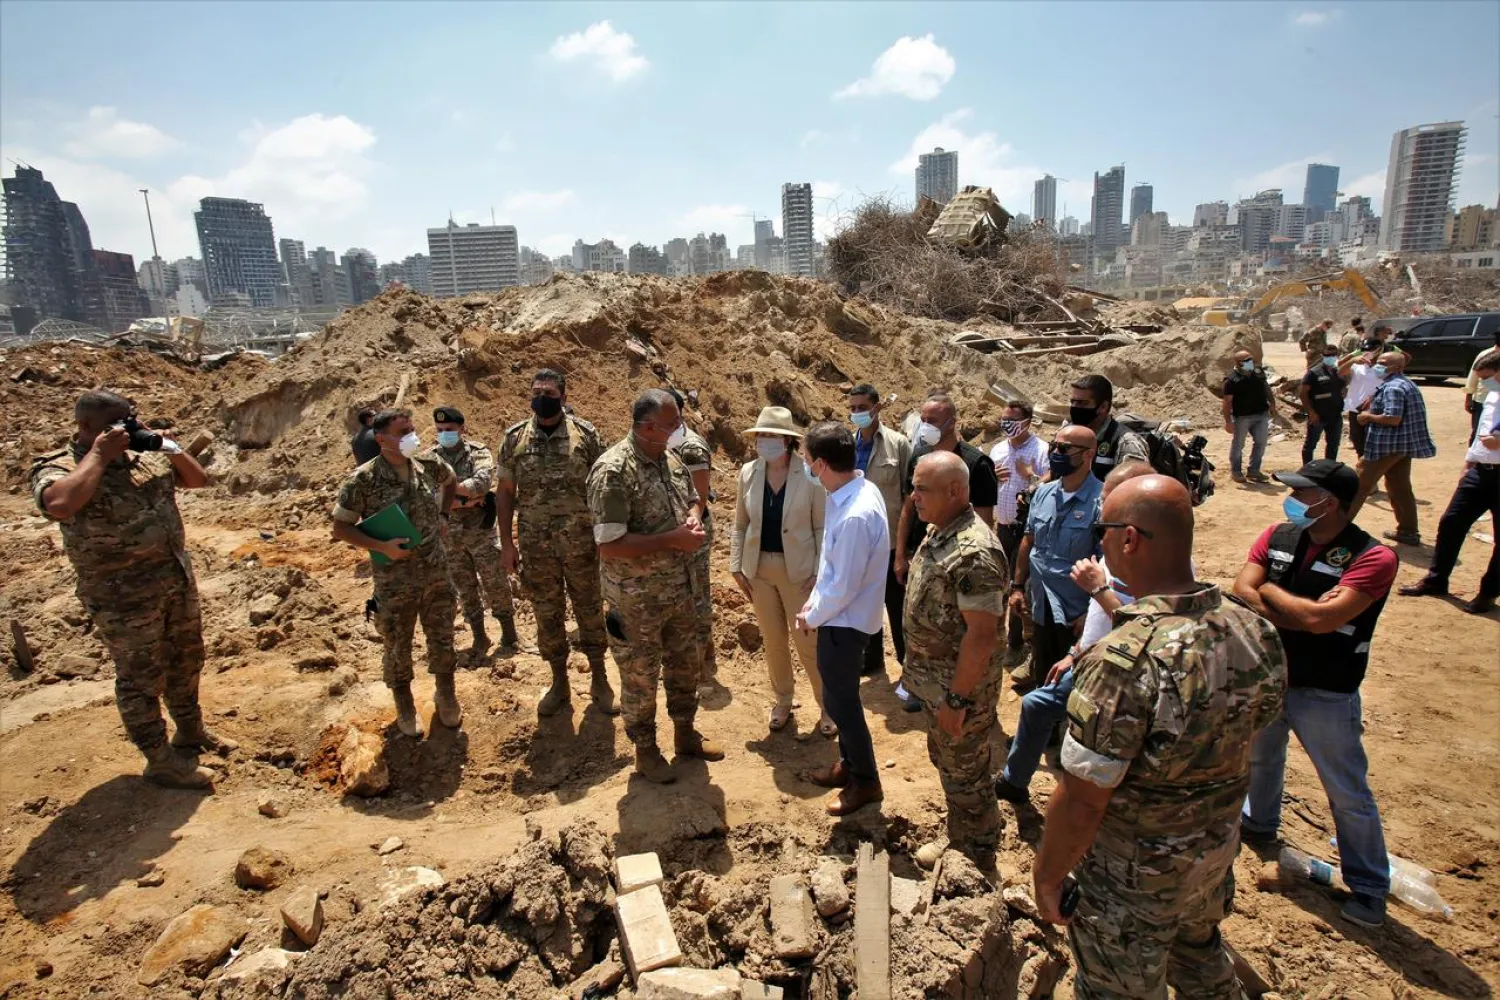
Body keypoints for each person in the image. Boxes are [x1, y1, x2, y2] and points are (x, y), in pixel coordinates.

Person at [1033, 475, 1286, 996]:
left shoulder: (1124, 660)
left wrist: (1048, 877)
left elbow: (1083, 798)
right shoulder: (1252, 629)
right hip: (1212, 858)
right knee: (1199, 961)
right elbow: (1257, 725)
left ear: (1128, 538)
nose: (1098, 543)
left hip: (1133, 882)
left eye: (1102, 531)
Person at [31, 391, 224, 790]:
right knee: (140, 676)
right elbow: (60, 505)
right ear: (87, 426)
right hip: (122, 598)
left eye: (130, 420)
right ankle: (159, 759)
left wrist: (166, 444)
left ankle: (190, 731)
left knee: (186, 659)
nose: (126, 430)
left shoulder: (143, 457)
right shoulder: (61, 466)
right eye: (117, 423)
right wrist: (99, 456)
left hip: (174, 580)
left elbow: (197, 480)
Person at [1234, 459, 1398, 927]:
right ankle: (1259, 823)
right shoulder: (1279, 536)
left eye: (1303, 494)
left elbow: (1322, 621)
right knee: (1262, 757)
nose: (1293, 501)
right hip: (1271, 674)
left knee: (1346, 790)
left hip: (1327, 688)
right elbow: (1242, 588)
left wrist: (1273, 596)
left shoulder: (1373, 557)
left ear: (1332, 503)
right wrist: (1300, 612)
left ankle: (1368, 886)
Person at [994, 461, 1154, 806]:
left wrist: (1098, 591)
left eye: (1108, 499)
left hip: (1118, 675)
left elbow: (1148, 631)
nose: (1101, 505)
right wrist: (1075, 652)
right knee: (1037, 703)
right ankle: (1015, 780)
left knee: (1087, 745)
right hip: (1087, 657)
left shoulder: (1153, 561)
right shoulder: (1116, 544)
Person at [587, 389, 720, 783]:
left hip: (679, 591)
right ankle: (645, 751)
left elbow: (694, 499)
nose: (680, 427)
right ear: (647, 427)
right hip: (636, 602)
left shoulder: (670, 459)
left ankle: (685, 733)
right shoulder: (613, 471)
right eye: (672, 422)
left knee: (685, 666)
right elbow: (609, 544)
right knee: (640, 676)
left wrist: (693, 516)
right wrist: (672, 539)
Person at [903, 451, 1009, 868]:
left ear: (954, 491)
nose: (914, 497)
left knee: (965, 771)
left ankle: (976, 852)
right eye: (913, 487)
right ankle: (965, 832)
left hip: (960, 689)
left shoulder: (973, 551)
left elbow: (981, 636)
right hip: (938, 683)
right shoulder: (940, 531)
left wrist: (957, 699)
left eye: (922, 489)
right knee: (950, 762)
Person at [332, 409, 462, 738]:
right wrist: (381, 546)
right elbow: (341, 527)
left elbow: (450, 482)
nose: (412, 436)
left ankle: (446, 695)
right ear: (381, 439)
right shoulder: (363, 480)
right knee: (397, 645)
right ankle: (405, 705)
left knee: (443, 637)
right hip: (394, 581)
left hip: (436, 572)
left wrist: (444, 516)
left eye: (412, 429)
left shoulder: (428, 464)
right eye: (403, 432)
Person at [498, 370, 614, 715]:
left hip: (582, 545)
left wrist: (606, 537)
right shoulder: (515, 438)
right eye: (536, 391)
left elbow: (604, 488)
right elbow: (505, 493)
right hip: (536, 548)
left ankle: (600, 680)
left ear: (563, 397)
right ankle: (559, 683)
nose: (541, 397)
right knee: (546, 614)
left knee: (590, 610)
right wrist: (507, 543)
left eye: (548, 393)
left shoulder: (586, 435)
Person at [796, 421, 891, 817]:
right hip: (840, 615)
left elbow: (844, 587)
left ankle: (866, 781)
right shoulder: (854, 490)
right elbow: (835, 571)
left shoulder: (855, 514)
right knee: (838, 698)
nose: (805, 466)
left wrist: (811, 615)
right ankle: (849, 765)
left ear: (820, 464)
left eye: (807, 460)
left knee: (843, 705)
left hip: (844, 623)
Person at [894, 392, 998, 708]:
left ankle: (954, 692)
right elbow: (907, 509)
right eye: (922, 419)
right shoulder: (919, 457)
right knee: (919, 620)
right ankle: (916, 684)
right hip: (924, 551)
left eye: (933, 421)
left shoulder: (976, 464)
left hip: (952, 561)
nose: (925, 426)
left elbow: (982, 521)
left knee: (952, 628)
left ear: (952, 423)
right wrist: (901, 554)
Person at [729, 407, 829, 734]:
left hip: (799, 572)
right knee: (773, 641)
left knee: (808, 643)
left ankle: (827, 706)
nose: (764, 441)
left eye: (770, 435)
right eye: (760, 436)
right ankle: (783, 700)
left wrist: (819, 571)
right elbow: (740, 524)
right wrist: (735, 565)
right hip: (758, 570)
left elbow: (821, 527)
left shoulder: (810, 475)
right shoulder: (748, 473)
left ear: (787, 440)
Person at [1400, 349, 1500, 614]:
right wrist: (1469, 463)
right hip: (1480, 472)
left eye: (1488, 377)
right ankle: (1436, 580)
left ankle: (1488, 593)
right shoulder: (1493, 396)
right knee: (1451, 523)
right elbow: (1480, 433)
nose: (1484, 383)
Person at [1008, 425, 1102, 691]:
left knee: (1076, 686)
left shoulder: (1102, 500)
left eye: (1064, 448)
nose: (1056, 453)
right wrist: (1017, 587)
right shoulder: (1043, 493)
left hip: (1076, 615)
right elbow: (1029, 541)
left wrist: (1093, 612)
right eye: (1053, 446)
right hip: (1041, 605)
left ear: (1088, 454)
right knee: (1044, 678)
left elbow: (1108, 563)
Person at [428, 406, 518, 656]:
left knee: (495, 581)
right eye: (439, 429)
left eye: (449, 429)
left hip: (480, 532)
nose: (444, 434)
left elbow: (483, 483)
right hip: (449, 536)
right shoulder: (428, 459)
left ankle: (510, 636)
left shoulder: (478, 452)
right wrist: (467, 500)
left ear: (462, 429)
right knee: (464, 587)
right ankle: (480, 637)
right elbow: (428, 495)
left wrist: (447, 491)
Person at [847, 383, 913, 676]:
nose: (857, 413)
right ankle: (872, 658)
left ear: (877, 407)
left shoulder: (898, 445)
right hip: (858, 543)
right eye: (853, 408)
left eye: (862, 407)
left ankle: (908, 666)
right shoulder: (846, 447)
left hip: (889, 544)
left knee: (897, 608)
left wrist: (903, 551)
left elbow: (908, 498)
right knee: (866, 605)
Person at [1350, 350, 1436, 545]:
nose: (1377, 366)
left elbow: (1393, 418)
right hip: (1401, 446)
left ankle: (1334, 531)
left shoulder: (1393, 388)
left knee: (1358, 484)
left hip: (1386, 446)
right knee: (1399, 487)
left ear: (1397, 367)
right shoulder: (1405, 384)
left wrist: (1368, 416)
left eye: (1382, 363)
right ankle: (1408, 531)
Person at [989, 400, 1047, 667]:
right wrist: (993, 476)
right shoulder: (998, 449)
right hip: (1001, 528)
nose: (1006, 424)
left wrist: (1031, 476)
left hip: (1026, 531)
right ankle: (998, 638)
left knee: (1018, 585)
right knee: (1000, 584)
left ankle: (1016, 643)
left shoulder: (1041, 450)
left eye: (1012, 420)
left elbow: (1051, 484)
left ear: (1027, 422)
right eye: (1004, 419)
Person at [667, 389, 719, 693]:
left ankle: (700, 667)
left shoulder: (692, 448)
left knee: (696, 595)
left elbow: (699, 499)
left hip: (692, 531)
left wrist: (690, 528)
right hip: (670, 533)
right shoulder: (660, 443)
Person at [1068, 375, 1149, 483]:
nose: (1075, 407)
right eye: (1073, 402)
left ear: (1103, 407)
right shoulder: (1068, 434)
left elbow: (1134, 485)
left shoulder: (1126, 442)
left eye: (1082, 403)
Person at [1222, 349, 1276, 484]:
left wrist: (1273, 403)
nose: (1250, 362)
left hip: (1261, 414)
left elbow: (1266, 387)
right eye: (1246, 360)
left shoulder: (1258, 372)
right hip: (1242, 417)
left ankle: (1254, 471)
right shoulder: (1232, 380)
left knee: (1261, 442)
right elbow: (1227, 402)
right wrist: (1228, 421)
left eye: (1250, 359)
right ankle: (1236, 471)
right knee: (1239, 444)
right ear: (1238, 363)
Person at [1338, 334, 1388, 460]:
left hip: (1376, 410)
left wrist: (1373, 398)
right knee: (1358, 443)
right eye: (1365, 350)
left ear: (1379, 350)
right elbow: (1340, 371)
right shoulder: (1358, 365)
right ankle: (1363, 466)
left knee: (1374, 443)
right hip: (1356, 409)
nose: (1367, 353)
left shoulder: (1384, 367)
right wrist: (1352, 360)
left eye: (1370, 350)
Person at [1300, 345, 1346, 464]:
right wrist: (1311, 412)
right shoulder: (1314, 372)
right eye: (1327, 355)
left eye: (1333, 355)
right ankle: (1307, 469)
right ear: (1322, 356)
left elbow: (1342, 387)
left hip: (1335, 415)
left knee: (1333, 444)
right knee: (1310, 445)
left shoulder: (1338, 371)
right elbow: (1303, 394)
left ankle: (1329, 469)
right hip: (1318, 415)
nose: (1330, 357)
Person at [1463, 331, 1500, 443]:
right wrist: (1468, 397)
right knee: (1478, 431)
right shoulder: (1485, 355)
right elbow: (1473, 377)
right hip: (1481, 400)